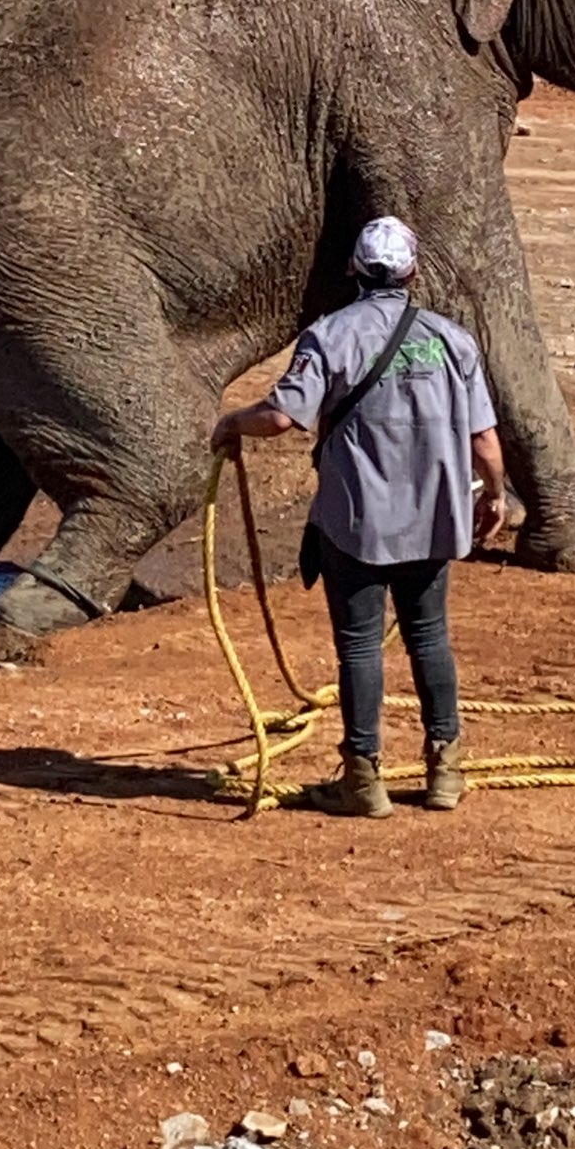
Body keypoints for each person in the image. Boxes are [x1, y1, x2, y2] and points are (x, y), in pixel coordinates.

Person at [211, 216, 507, 819]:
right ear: (412, 272)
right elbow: (485, 443)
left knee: (359, 646)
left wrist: (230, 422)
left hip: (358, 521)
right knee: (428, 637)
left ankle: (364, 778)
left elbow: (281, 418)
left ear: (353, 270)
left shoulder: (329, 336)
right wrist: (494, 496)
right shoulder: (452, 340)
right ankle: (445, 770)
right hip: (432, 518)